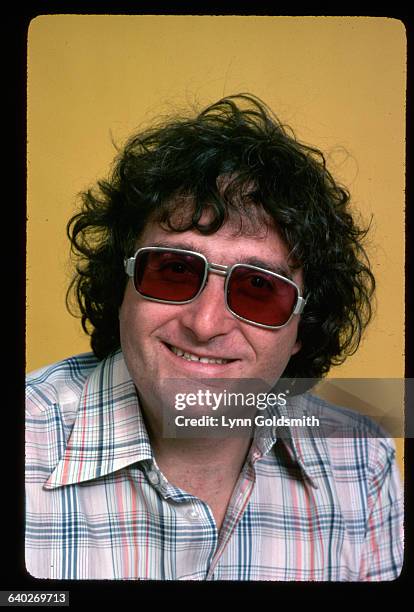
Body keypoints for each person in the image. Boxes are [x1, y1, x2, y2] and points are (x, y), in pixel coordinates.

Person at [25, 93, 403, 581]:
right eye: (175, 270)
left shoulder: (363, 463)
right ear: (120, 286)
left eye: (259, 289)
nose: (205, 325)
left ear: (301, 332)